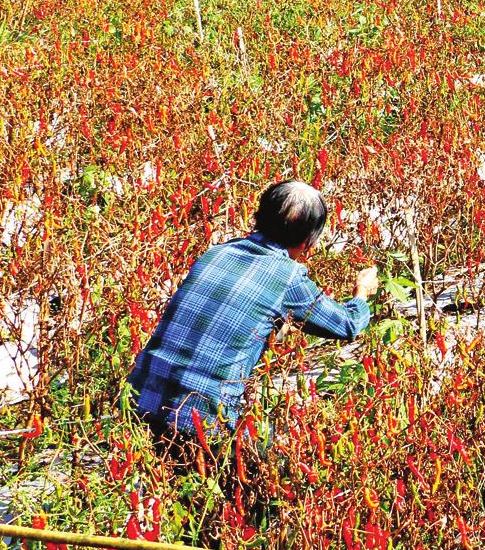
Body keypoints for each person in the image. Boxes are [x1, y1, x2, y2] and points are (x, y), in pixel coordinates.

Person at [127, 180, 378, 467]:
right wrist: (361, 292)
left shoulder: (217, 252)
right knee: (285, 468)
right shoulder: (288, 276)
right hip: (202, 421)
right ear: (308, 242)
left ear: (258, 217)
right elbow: (348, 324)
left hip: (137, 404)